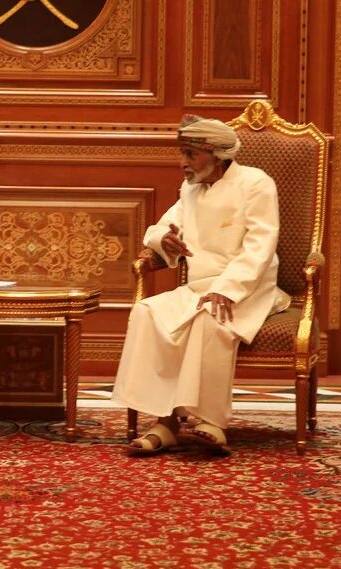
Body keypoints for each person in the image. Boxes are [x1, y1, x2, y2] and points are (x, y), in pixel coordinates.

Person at [111, 114, 290, 455]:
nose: (183, 163)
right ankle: (165, 423)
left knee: (211, 319)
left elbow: (261, 245)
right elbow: (162, 227)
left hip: (247, 288)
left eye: (190, 155)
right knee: (148, 312)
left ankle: (212, 422)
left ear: (217, 155)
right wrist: (164, 240)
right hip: (198, 288)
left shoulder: (256, 183)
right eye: (182, 153)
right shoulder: (190, 189)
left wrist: (227, 288)